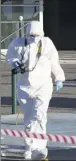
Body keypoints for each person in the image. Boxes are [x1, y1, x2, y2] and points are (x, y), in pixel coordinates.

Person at [5, 21, 65, 160]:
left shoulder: (47, 43)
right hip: (25, 87)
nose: (34, 37)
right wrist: (15, 62)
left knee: (39, 115)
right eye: (31, 35)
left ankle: (40, 147)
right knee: (29, 118)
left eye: (36, 35)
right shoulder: (18, 43)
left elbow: (54, 62)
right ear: (27, 33)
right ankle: (29, 147)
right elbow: (10, 56)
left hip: (43, 85)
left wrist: (59, 78)